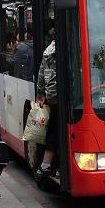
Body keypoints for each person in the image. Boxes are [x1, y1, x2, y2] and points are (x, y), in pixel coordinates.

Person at [35, 33, 58, 177]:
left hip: (51, 95)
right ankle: (46, 165)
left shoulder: (48, 50)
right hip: (61, 95)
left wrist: (41, 93)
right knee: (56, 131)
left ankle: (46, 164)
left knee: (52, 130)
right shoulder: (64, 48)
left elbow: (41, 74)